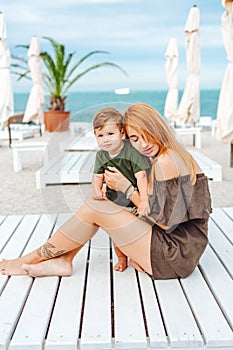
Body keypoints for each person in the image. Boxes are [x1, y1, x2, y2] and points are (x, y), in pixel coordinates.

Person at [0, 103, 212, 280]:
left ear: (158, 128)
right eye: (135, 139)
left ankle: (29, 260)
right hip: (179, 248)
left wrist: (127, 189)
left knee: (96, 208)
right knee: (99, 207)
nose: (143, 144)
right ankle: (63, 260)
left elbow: (167, 222)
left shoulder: (166, 160)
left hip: (174, 254)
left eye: (147, 135)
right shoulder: (167, 154)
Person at [92, 107, 150, 271]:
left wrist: (143, 199)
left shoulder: (130, 152)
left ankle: (136, 258)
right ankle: (121, 259)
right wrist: (97, 190)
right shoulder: (101, 156)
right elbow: (97, 176)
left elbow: (141, 176)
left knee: (135, 234)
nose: (106, 140)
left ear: (122, 134)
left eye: (111, 134)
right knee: (117, 235)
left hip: (133, 204)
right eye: (100, 136)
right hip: (114, 203)